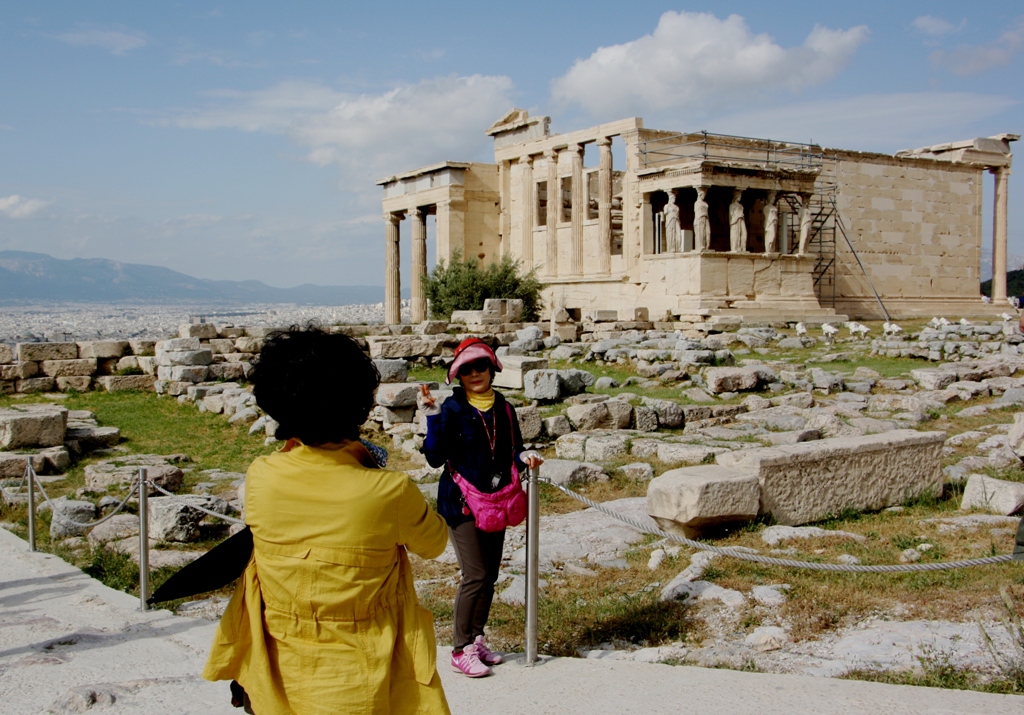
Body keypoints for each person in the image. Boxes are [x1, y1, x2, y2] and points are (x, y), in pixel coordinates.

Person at [203, 326, 451, 715]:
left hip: (277, 672)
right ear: (361, 404)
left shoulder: (261, 475)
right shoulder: (390, 491)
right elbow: (434, 543)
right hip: (362, 677)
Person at [419, 338, 543, 678]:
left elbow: (513, 447)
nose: (475, 373)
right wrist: (431, 416)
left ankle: (476, 638)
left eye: (481, 366)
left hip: (496, 500)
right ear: (458, 374)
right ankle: (459, 649)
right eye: (468, 369)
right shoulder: (453, 408)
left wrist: (525, 456)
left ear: (492, 369)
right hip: (461, 502)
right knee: (474, 574)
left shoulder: (503, 406)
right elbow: (433, 458)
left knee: (490, 575)